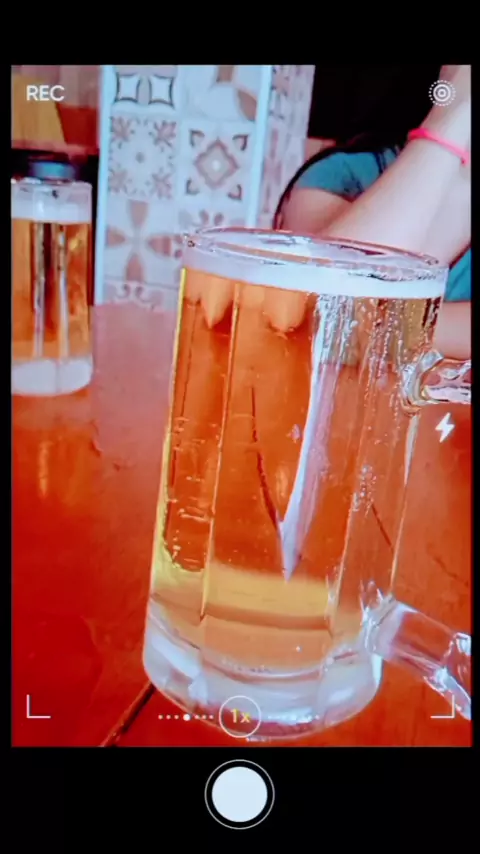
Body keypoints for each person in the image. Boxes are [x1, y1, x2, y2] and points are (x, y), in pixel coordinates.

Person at [276, 64, 471, 361]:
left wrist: (387, 325)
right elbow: (334, 316)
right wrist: (453, 114)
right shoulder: (341, 176)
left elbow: (360, 322)